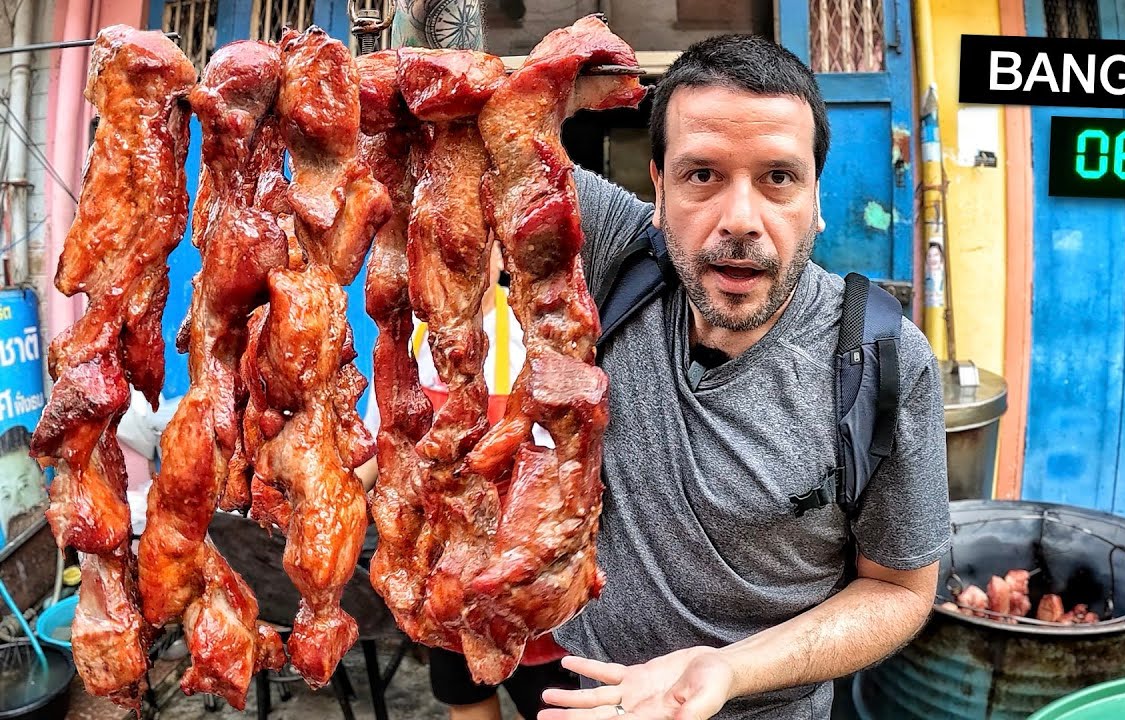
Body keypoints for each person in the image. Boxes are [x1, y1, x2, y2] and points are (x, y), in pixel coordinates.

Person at [534, 34, 951, 720]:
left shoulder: (881, 358)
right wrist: (556, 80)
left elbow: (901, 591)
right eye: (702, 175)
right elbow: (471, 143)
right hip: (594, 705)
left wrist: (726, 670)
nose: (740, 220)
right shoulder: (615, 252)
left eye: (778, 179)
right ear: (658, 190)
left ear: (816, 198)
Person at [357, 244, 573, 720]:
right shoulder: (412, 339)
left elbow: (559, 473)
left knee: (552, 703)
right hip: (442, 566)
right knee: (467, 699)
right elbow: (383, 442)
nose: (463, 265)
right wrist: (337, 498)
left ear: (500, 258)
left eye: (481, 250)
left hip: (520, 571)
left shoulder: (530, 337)